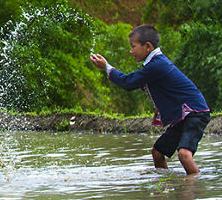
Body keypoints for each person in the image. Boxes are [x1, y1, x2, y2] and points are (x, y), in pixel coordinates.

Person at [90, 24, 210, 175]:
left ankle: (193, 191)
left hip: (195, 113)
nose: (131, 51)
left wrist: (106, 66)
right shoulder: (155, 65)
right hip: (186, 115)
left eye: (133, 47)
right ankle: (165, 184)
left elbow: (127, 82)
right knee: (157, 152)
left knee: (184, 155)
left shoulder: (157, 65)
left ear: (147, 46)